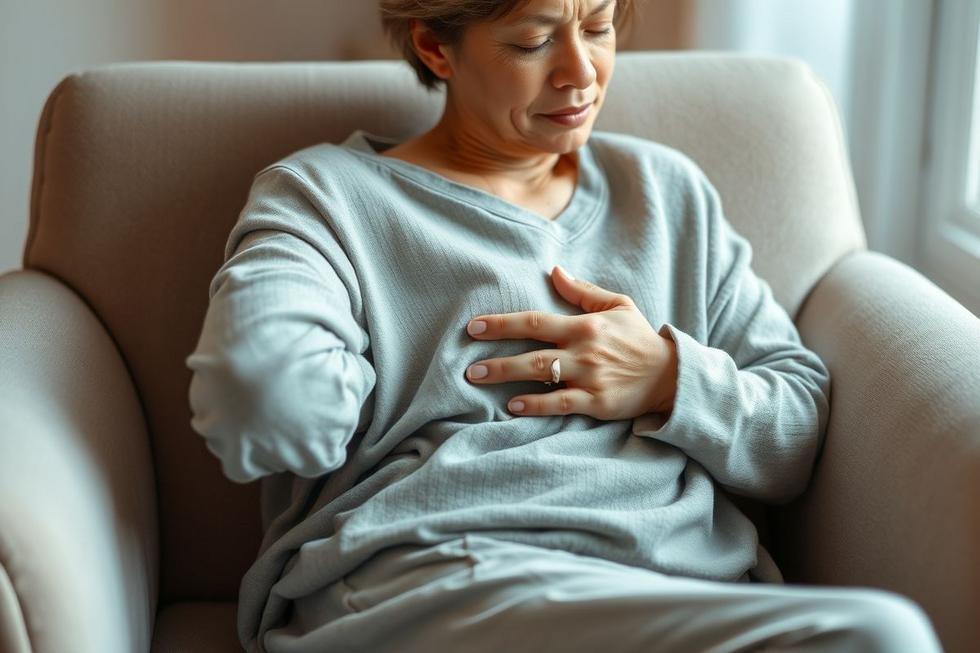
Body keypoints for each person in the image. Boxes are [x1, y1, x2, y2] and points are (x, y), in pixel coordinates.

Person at [184, 1, 945, 651]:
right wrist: (344, 376)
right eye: (535, 40)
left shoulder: (667, 194)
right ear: (433, 45)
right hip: (431, 584)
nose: (581, 72)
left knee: (880, 634)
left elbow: (795, 431)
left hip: (673, 591)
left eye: (601, 25)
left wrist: (666, 378)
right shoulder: (327, 197)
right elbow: (258, 399)